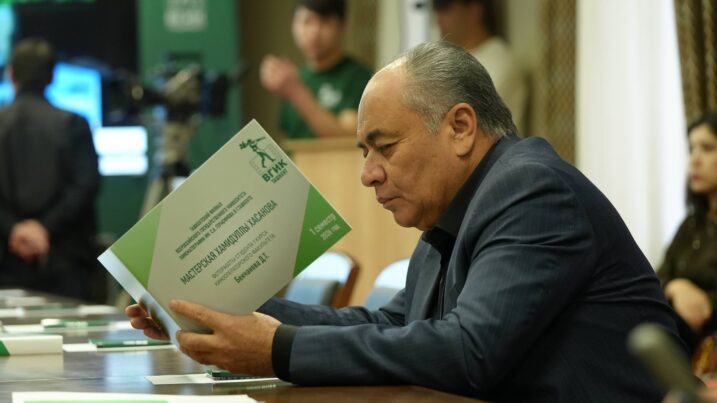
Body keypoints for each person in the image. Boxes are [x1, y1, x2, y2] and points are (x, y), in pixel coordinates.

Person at [128, 41, 680, 401]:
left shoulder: (531, 190)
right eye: (364, 152)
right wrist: (218, 308)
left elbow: (468, 352)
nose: (369, 174)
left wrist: (277, 349)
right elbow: (393, 325)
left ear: (460, 127)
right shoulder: (457, 208)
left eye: (385, 147)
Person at [0, 38, 100, 300]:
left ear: (11, 74)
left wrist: (14, 229)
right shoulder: (74, 123)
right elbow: (86, 185)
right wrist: (44, 228)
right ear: (52, 76)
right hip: (66, 262)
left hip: (6, 261)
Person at [259, 0, 372, 139]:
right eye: (307, 21)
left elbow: (346, 139)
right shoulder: (293, 79)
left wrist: (296, 92)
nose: (315, 32)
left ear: (342, 27)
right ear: (293, 25)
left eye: (325, 21)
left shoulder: (359, 77)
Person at [658, 112, 717, 354]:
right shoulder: (691, 225)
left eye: (707, 148)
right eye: (691, 149)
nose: (694, 159)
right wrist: (677, 286)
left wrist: (705, 302)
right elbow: (655, 278)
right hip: (674, 336)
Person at [432, 0, 527, 133]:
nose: (438, 20)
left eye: (445, 9)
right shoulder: (452, 60)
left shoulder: (499, 63)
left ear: (474, 10)